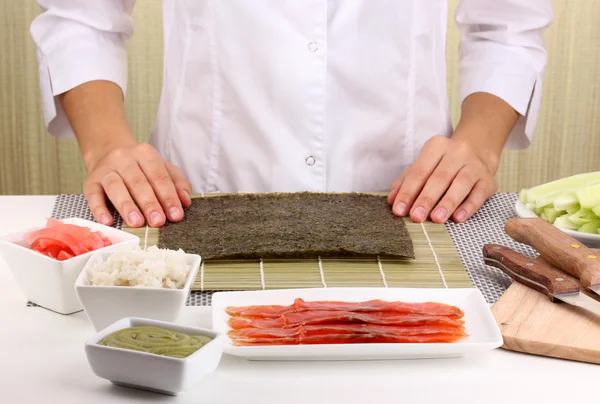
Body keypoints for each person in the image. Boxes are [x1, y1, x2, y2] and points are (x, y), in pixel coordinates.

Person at [30, 1, 553, 228]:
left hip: (411, 198)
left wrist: (479, 144)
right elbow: (82, 14)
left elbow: (506, 21)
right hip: (196, 195)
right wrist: (107, 145)